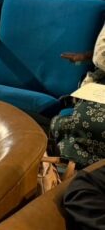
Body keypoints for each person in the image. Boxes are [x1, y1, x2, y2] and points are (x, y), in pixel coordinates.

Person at [51, 21, 105, 169]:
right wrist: (86, 55)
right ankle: (71, 169)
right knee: (83, 119)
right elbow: (100, 55)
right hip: (101, 85)